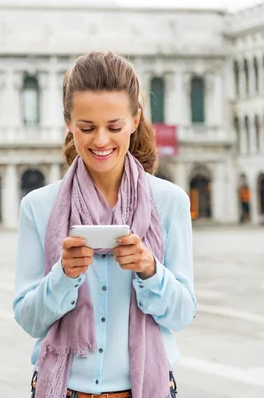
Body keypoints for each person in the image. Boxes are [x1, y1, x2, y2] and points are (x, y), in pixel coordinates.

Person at [12, 52, 197, 398]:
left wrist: (150, 270)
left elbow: (183, 314)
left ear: (135, 119)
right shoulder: (38, 207)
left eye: (114, 127)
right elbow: (27, 319)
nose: (100, 141)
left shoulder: (170, 202)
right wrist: (63, 277)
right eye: (86, 128)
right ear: (68, 122)